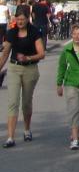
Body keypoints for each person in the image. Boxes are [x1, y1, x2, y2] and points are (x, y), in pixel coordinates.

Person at [0, 11, 46, 147]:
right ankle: (10, 137)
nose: (20, 21)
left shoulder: (34, 32)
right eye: (18, 19)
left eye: (22, 19)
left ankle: (26, 130)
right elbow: (5, 54)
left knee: (26, 103)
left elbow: (42, 53)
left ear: (28, 19)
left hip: (30, 68)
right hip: (14, 68)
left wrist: (28, 58)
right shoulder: (11, 33)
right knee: (13, 102)